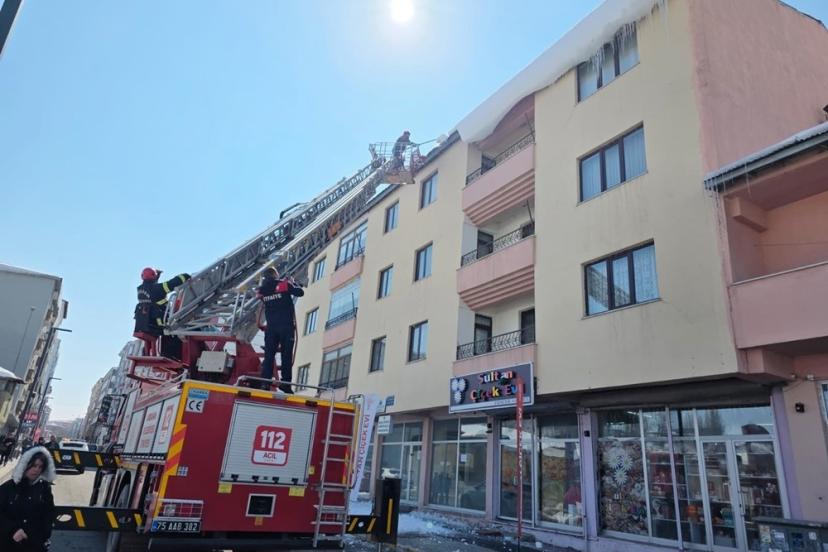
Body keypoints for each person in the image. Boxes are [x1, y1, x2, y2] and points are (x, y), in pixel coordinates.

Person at [256, 267, 304, 394]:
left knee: (269, 356)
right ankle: (285, 384)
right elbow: (300, 293)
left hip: (271, 328)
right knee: (286, 355)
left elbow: (262, 296)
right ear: (275, 275)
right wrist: (292, 282)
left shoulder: (262, 290)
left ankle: (265, 383)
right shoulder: (284, 285)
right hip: (286, 326)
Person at [0, 446, 56, 551]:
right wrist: (12, 529)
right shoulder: (9, 487)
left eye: (40, 467)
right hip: (8, 543)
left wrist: (43, 535)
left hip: (34, 544)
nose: (36, 470)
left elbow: (49, 513)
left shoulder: (44, 489)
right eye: (33, 465)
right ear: (25, 465)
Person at [133, 268, 191, 341]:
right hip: (161, 324)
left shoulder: (140, 290)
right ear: (154, 276)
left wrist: (157, 276)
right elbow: (172, 284)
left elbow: (151, 293)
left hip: (148, 324)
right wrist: (185, 276)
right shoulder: (157, 288)